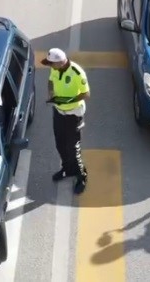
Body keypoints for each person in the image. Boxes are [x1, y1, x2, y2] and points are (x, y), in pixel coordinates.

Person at [43, 48, 90, 194]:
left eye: (52, 64)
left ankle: (81, 176)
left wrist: (70, 100)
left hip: (73, 115)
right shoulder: (55, 69)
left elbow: (86, 94)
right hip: (58, 111)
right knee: (60, 144)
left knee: (73, 148)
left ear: (61, 62)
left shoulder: (77, 73)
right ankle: (67, 169)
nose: (50, 66)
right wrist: (51, 93)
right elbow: (50, 81)